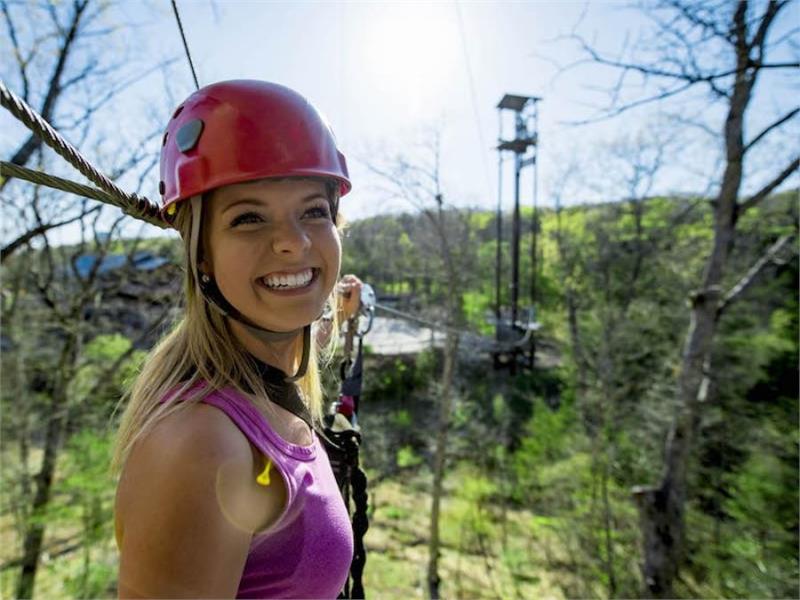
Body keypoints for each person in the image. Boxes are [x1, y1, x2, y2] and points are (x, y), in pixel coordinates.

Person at [112, 80, 363, 599]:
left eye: (314, 211)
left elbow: (298, 314)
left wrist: (340, 309)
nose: (293, 242)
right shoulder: (201, 447)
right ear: (200, 254)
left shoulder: (264, 375)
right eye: (248, 218)